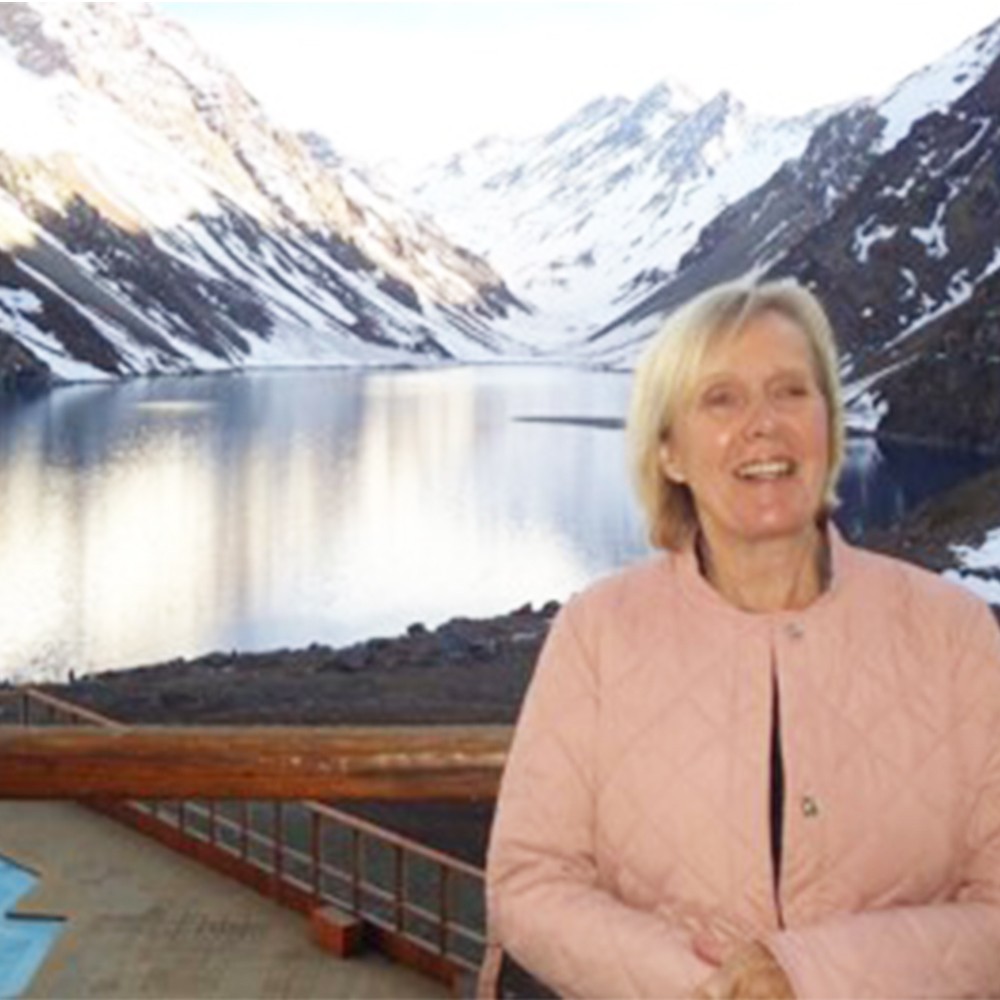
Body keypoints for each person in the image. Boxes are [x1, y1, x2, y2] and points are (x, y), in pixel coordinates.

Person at [482, 279, 1000, 999]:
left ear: (829, 424)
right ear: (670, 453)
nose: (764, 425)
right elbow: (530, 883)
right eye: (720, 399)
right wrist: (708, 987)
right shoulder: (597, 633)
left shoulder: (957, 634)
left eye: (791, 391)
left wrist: (807, 976)